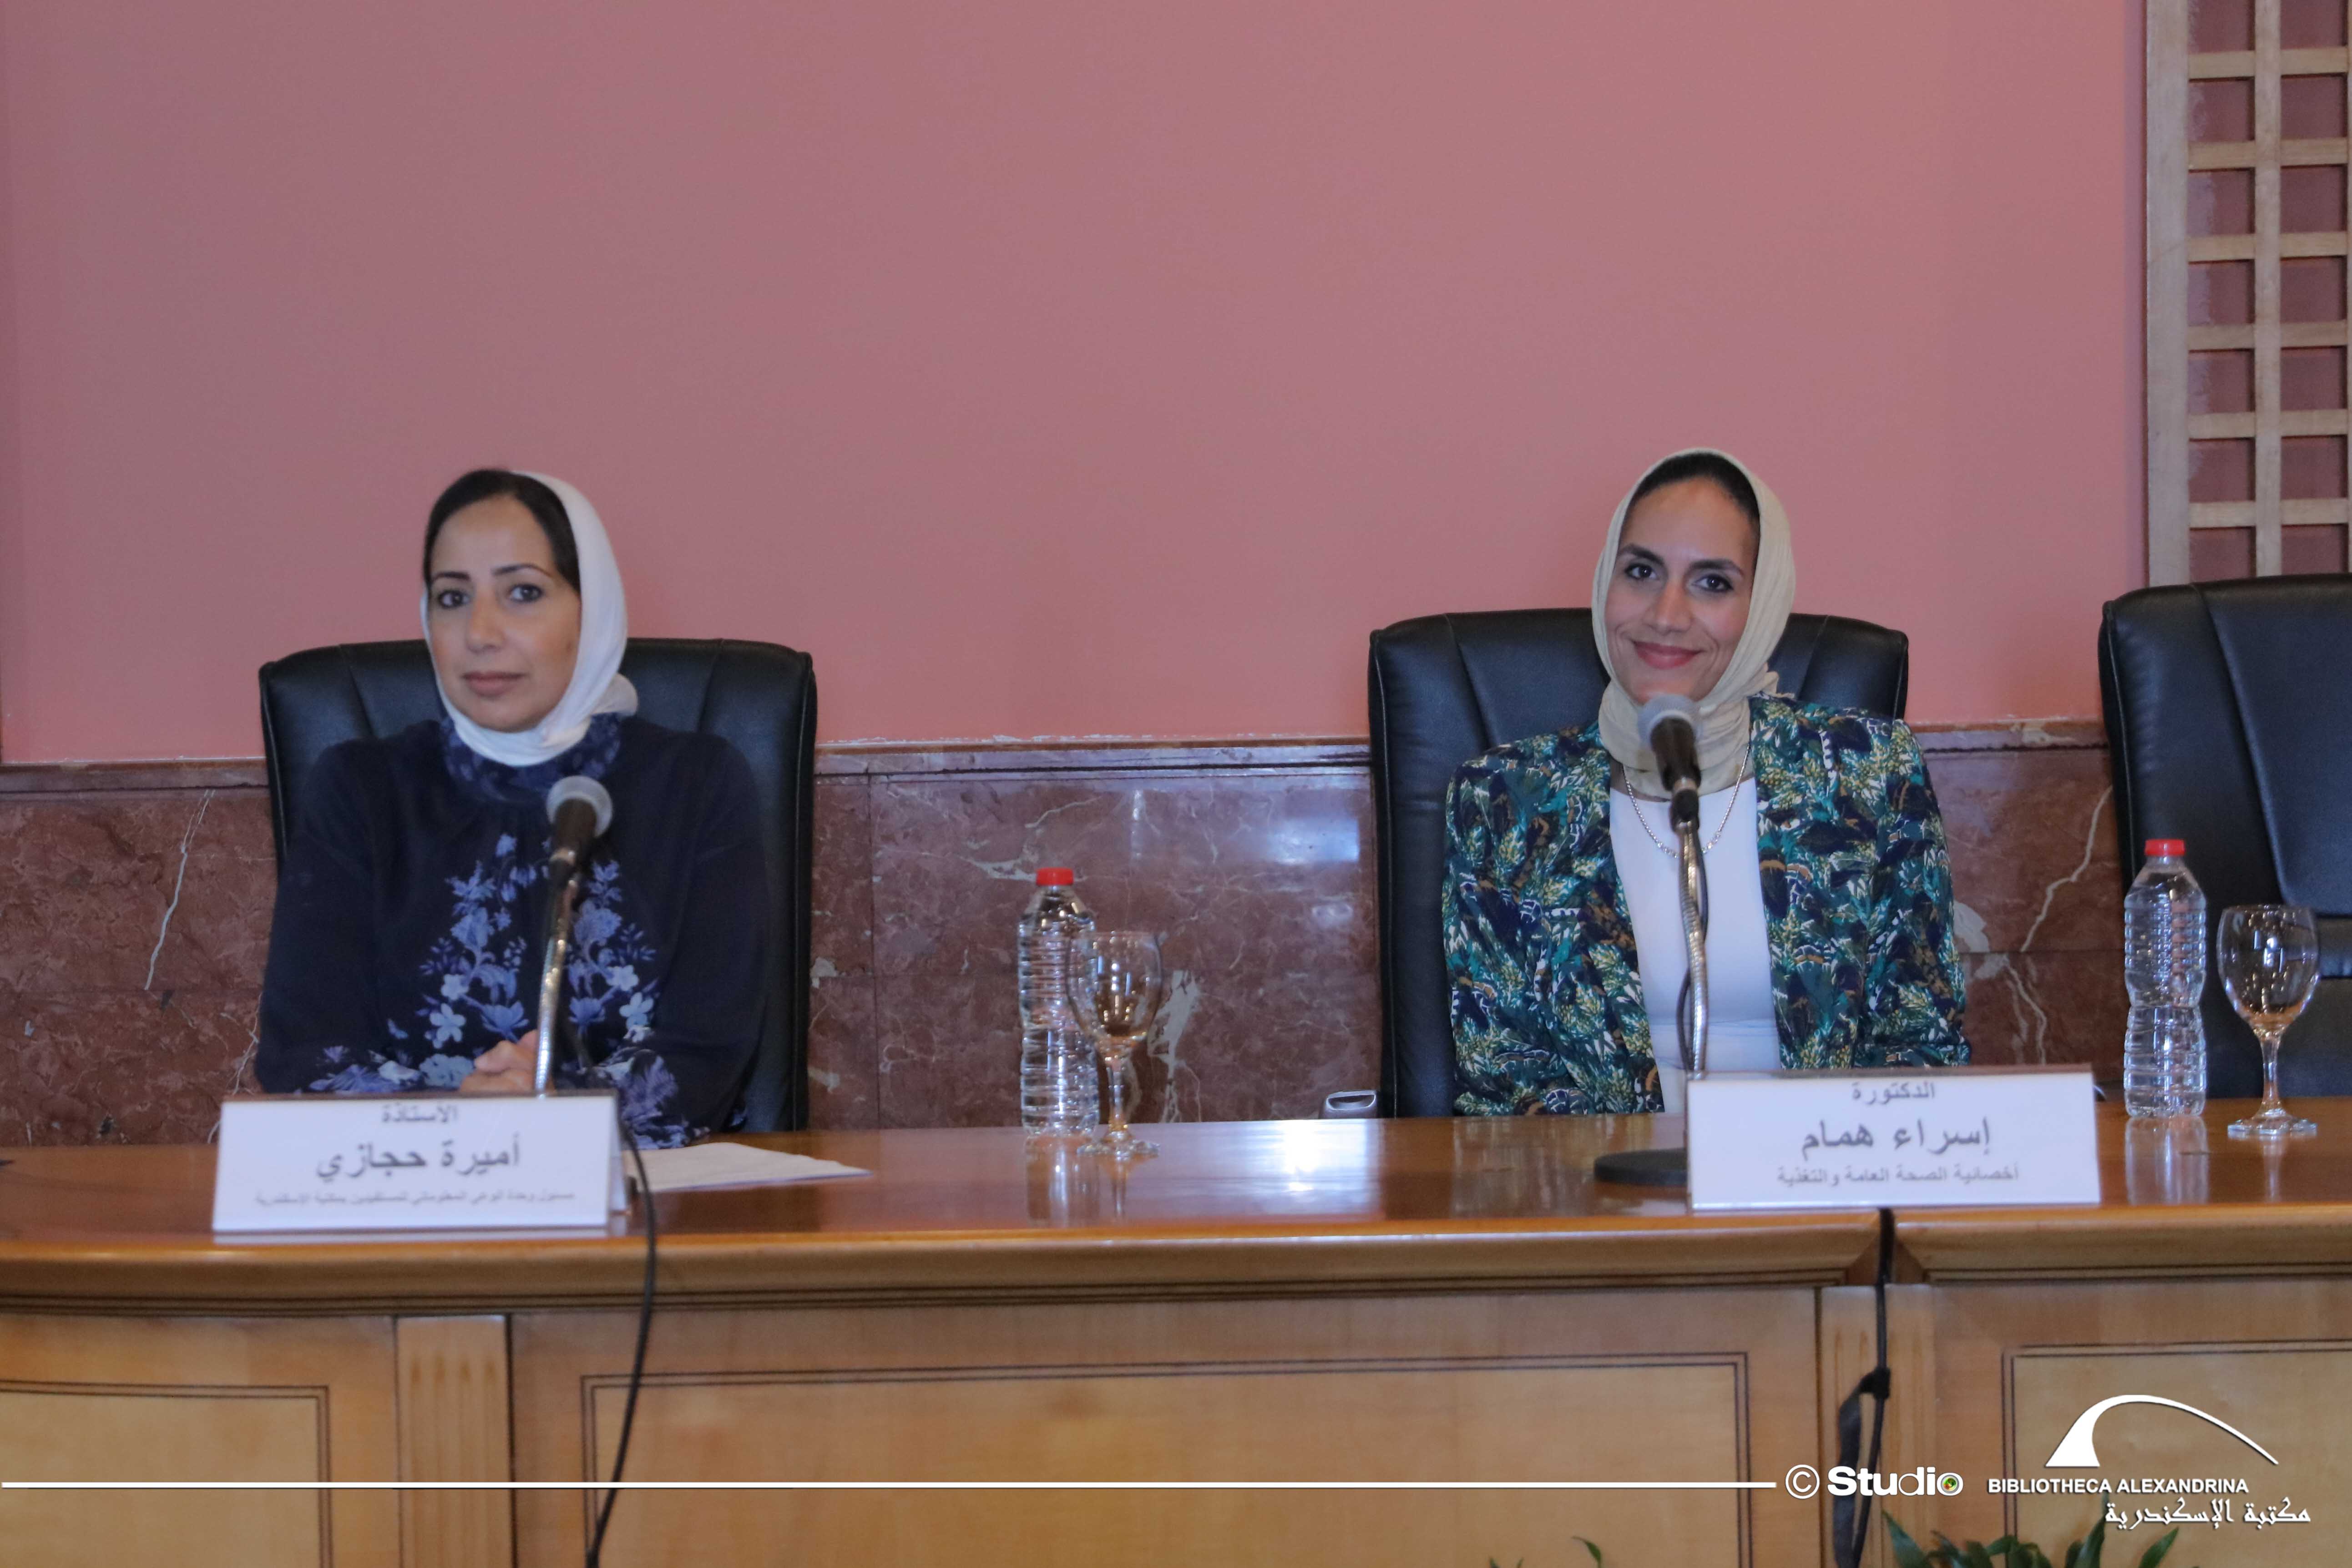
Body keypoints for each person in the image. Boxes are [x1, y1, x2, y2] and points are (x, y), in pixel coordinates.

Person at [1443, 449, 1968, 1115]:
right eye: (1641, 572)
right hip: (1601, 1180)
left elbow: (1919, 1045)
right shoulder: (1505, 800)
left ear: (1762, 603)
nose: (1666, 614)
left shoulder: (1865, 771)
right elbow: (1502, 1082)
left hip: (1821, 1171)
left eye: (1712, 583)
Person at [257, 469, 768, 1145]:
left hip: (642, 1194)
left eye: (523, 592)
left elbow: (706, 1057)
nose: (480, 631)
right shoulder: (362, 790)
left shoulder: (695, 785)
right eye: (452, 597)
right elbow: (304, 1057)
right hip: (415, 1187)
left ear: (592, 610)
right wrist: (465, 1120)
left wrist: (559, 1110)